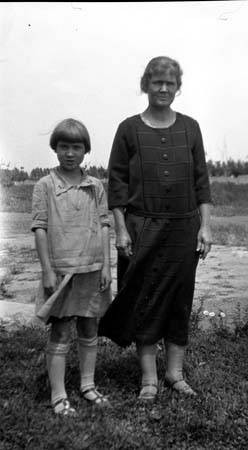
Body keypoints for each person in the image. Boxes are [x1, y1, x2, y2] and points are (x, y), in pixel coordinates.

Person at [98, 56, 213, 402]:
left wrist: (205, 227)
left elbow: (202, 182)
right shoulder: (128, 128)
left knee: (180, 300)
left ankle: (175, 375)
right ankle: (149, 379)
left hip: (183, 227)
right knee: (143, 300)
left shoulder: (190, 127)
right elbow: (116, 184)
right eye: (157, 82)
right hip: (141, 226)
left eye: (170, 83)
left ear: (178, 88)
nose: (163, 88)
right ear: (145, 85)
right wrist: (121, 230)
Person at [31, 118, 112, 416]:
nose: (69, 153)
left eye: (76, 147)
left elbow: (104, 225)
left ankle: (87, 385)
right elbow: (39, 228)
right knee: (62, 330)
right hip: (62, 271)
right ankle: (58, 394)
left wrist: (106, 266)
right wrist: (47, 270)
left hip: (92, 268)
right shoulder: (44, 186)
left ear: (85, 150)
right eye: (63, 146)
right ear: (55, 148)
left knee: (90, 325)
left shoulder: (95, 186)